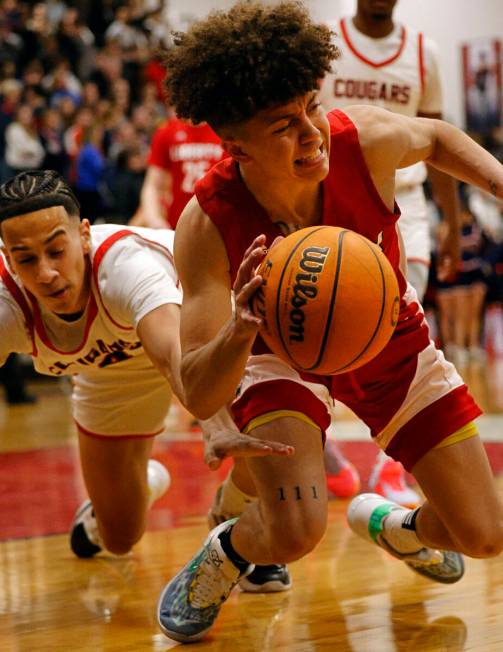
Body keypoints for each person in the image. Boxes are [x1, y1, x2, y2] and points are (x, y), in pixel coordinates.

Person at [154, 1, 503, 643]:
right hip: (273, 352)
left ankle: (391, 525)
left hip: (386, 335)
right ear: (235, 145)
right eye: (284, 125)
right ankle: (229, 550)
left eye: (311, 105)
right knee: (296, 529)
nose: (312, 131)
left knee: (483, 535)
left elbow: (441, 137)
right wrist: (238, 325)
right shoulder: (206, 225)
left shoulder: (360, 138)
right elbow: (199, 390)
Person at [0, 169, 291, 560]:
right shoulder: (6, 306)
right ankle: (140, 485)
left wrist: (217, 427)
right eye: (26, 259)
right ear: (8, 259)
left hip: (200, 336)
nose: (46, 273)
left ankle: (236, 520)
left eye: (56, 251)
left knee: (267, 433)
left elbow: (177, 359)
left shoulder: (126, 267)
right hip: (112, 370)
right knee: (119, 538)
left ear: (84, 235)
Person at [318, 0, 461, 505]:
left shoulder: (424, 52)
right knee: (322, 329)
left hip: (410, 202)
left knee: (407, 323)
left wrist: (453, 220)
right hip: (338, 203)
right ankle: (319, 438)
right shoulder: (326, 42)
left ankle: (391, 467)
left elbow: (438, 144)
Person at [130, 116, 226, 229]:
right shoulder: (167, 130)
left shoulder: (225, 130)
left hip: (217, 224)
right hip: (177, 224)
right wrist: (155, 220)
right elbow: (152, 186)